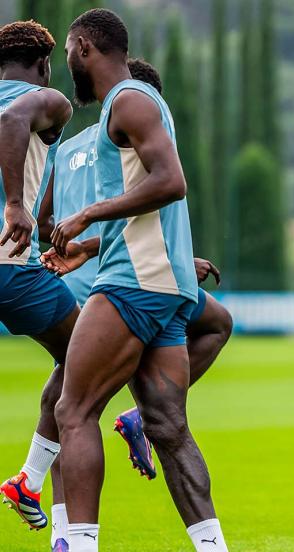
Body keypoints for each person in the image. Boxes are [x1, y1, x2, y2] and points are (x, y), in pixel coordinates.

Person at [33, 56, 232, 550]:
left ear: (84, 49)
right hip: (163, 286)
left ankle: (71, 536)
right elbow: (145, 212)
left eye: (71, 51)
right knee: (169, 426)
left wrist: (85, 218)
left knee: (72, 411)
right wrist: (88, 246)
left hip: (129, 284)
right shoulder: (130, 116)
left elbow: (169, 184)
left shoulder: (125, 104)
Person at [0, 19, 80, 539]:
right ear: (44, 65)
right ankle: (38, 491)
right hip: (11, 265)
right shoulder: (47, 99)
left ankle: (33, 487)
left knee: (75, 366)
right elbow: (13, 119)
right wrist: (15, 204)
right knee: (88, 364)